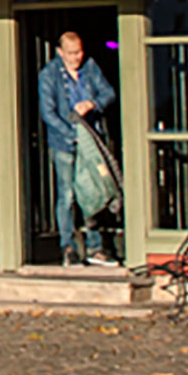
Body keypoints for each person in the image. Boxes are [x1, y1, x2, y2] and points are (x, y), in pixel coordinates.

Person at [37, 32, 119, 266]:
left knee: (92, 191)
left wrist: (92, 103)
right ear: (60, 52)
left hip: (90, 140)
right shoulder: (49, 75)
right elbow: (48, 113)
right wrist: (71, 134)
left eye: (79, 52)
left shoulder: (90, 68)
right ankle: (69, 248)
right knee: (67, 195)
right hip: (64, 143)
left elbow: (109, 93)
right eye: (71, 53)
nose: (77, 58)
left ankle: (95, 247)